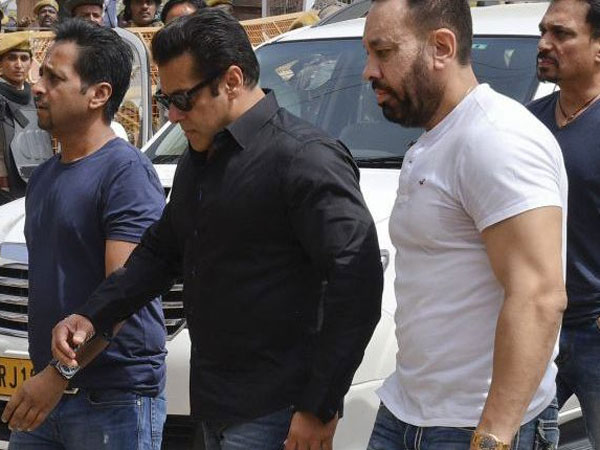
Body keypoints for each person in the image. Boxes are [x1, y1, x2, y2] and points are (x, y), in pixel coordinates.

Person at [50, 9, 383, 450]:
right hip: (213, 404)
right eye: (164, 100)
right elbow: (159, 254)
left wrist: (319, 405)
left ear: (231, 80)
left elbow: (357, 284)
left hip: (278, 412)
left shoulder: (305, 159)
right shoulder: (199, 159)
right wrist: (92, 315)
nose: (173, 115)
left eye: (182, 99)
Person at [362, 0, 568, 449]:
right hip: (407, 410)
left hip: (473, 424)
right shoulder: (438, 139)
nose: (369, 71)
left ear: (441, 47)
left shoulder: (496, 138)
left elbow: (538, 296)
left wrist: (493, 436)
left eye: (383, 52)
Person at [1, 19, 168, 450]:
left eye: (54, 78)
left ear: (99, 94)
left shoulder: (126, 173)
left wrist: (58, 375)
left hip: (112, 400)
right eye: (40, 75)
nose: (38, 87)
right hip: (48, 393)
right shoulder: (44, 177)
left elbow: (124, 292)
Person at [529, 0, 600, 448]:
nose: (544, 43)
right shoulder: (528, 124)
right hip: (537, 328)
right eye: (543, 31)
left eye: (561, 33)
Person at [0, 31, 52, 205]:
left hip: (37, 183)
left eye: (24, 58)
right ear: (1, 63)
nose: (18, 65)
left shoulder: (37, 96)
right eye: (11, 58)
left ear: (31, 63)